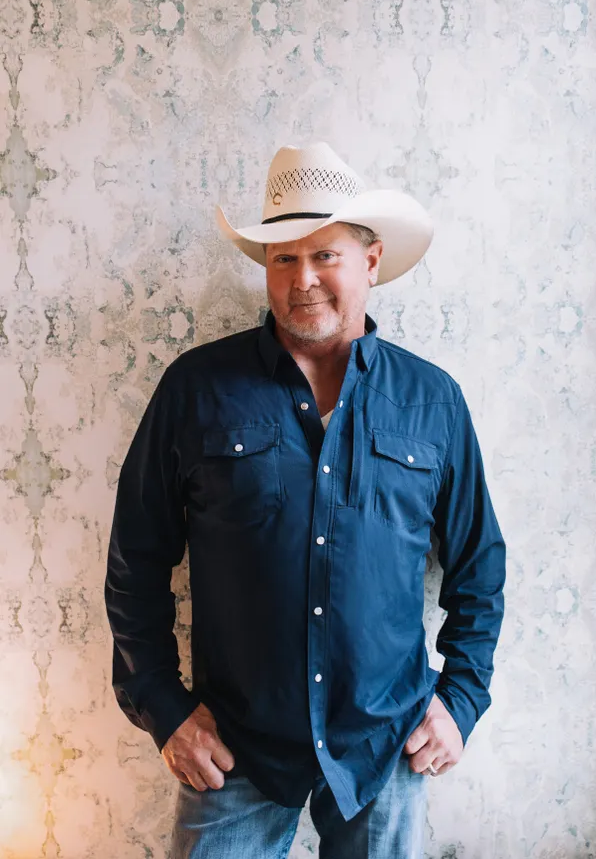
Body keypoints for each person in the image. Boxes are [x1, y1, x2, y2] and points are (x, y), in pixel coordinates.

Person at [105, 141, 506, 858]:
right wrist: (165, 709)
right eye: (283, 258)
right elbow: (134, 560)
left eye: (325, 255)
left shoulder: (431, 400)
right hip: (233, 748)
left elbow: (479, 566)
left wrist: (462, 701)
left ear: (371, 261)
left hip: (388, 745)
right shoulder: (197, 389)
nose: (303, 279)